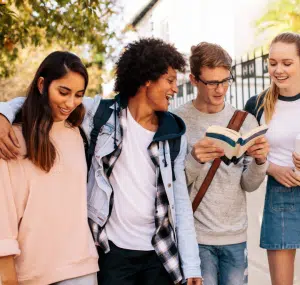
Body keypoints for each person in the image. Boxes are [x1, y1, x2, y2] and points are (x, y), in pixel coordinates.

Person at [0, 38, 202, 285]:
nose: (175, 89)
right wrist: (3, 114)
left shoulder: (173, 134)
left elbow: (180, 202)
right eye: (170, 80)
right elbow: (42, 99)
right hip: (112, 251)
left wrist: (192, 266)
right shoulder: (101, 116)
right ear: (147, 79)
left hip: (160, 252)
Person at [173, 42, 269, 285]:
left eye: (226, 81)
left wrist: (260, 162)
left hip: (235, 237)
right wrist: (194, 160)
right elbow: (172, 185)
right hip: (195, 237)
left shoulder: (244, 120)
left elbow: (249, 185)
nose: (221, 90)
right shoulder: (177, 121)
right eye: (212, 83)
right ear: (194, 79)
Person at [0, 51, 99, 285]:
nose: (70, 103)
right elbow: (3, 216)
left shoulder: (79, 132)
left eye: (78, 95)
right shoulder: (9, 139)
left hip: (80, 267)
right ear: (42, 84)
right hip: (30, 273)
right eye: (63, 92)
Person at [245, 32, 300, 285]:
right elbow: (243, 154)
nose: (278, 70)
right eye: (272, 62)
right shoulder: (256, 104)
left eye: (287, 63)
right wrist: (273, 168)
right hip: (282, 194)